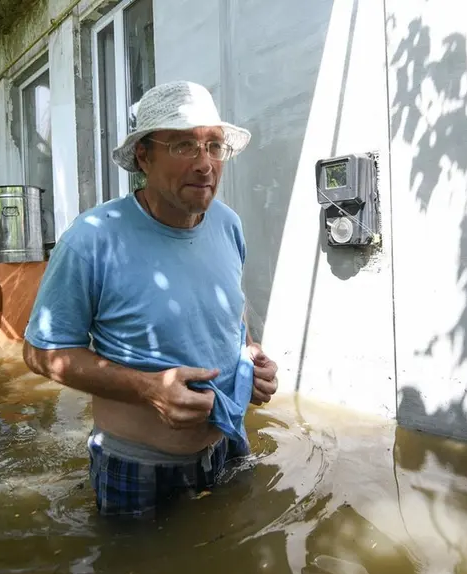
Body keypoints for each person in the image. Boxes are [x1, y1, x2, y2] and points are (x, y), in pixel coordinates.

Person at [21, 80, 279, 518]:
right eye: (183, 146)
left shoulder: (227, 224)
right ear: (144, 155)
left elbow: (229, 309)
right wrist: (148, 389)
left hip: (229, 442)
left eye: (214, 147)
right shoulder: (92, 239)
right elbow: (41, 352)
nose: (205, 165)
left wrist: (249, 353)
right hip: (137, 465)